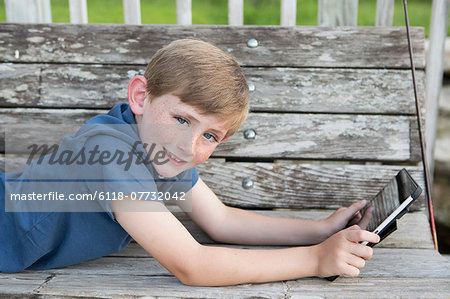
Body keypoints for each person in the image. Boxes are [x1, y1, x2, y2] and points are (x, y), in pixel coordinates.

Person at [0, 39, 378, 286]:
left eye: (209, 136)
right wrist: (315, 259)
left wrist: (318, 230)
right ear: (140, 97)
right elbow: (192, 265)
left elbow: (222, 220)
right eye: (181, 119)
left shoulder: (160, 149)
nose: (189, 145)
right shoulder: (111, 152)